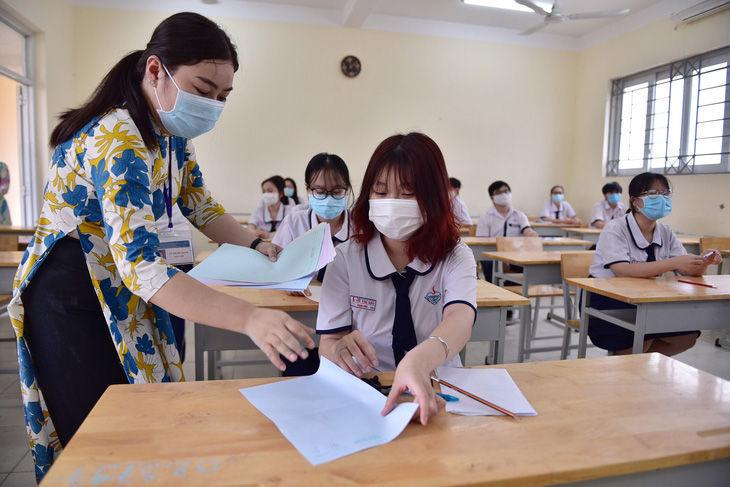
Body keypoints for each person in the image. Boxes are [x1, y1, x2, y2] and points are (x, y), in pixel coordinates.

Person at [10, 13, 314, 481]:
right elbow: (144, 270)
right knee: (103, 440)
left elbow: (199, 205)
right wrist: (249, 317)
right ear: (156, 71)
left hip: (125, 282)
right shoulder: (119, 137)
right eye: (203, 88)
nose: (211, 105)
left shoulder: (169, 135)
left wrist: (258, 244)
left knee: (146, 420)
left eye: (222, 96)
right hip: (73, 292)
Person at [317, 132, 477, 425]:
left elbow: (460, 319)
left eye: (407, 193)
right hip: (370, 389)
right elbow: (328, 342)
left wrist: (420, 360)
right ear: (368, 196)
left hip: (440, 384)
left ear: (434, 197)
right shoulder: (346, 258)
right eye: (380, 192)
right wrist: (338, 350)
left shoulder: (456, 255)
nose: (392, 203)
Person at [587, 172, 722, 355]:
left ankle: (640, 365)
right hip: (608, 299)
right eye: (653, 193)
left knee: (687, 336)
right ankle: (630, 366)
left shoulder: (665, 231)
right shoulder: (615, 228)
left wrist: (703, 261)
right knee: (642, 336)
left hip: (647, 299)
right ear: (635, 201)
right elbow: (622, 271)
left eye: (665, 194)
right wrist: (673, 262)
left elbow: (688, 271)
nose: (661, 198)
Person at [273, 153, 353, 375]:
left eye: (337, 191)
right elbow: (274, 266)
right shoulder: (295, 222)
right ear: (308, 189)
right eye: (319, 191)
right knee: (300, 366)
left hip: (348, 317)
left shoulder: (361, 226)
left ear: (347, 190)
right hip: (302, 312)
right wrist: (289, 281)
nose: (328, 198)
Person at [476, 180, 538, 282]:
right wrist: (501, 258)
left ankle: (513, 291)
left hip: (514, 254)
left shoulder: (519, 215)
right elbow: (482, 242)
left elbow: (527, 229)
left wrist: (531, 233)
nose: (503, 194)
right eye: (498, 192)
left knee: (529, 268)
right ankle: (495, 292)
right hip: (491, 255)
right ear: (492, 198)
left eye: (506, 191)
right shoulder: (486, 217)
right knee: (490, 267)